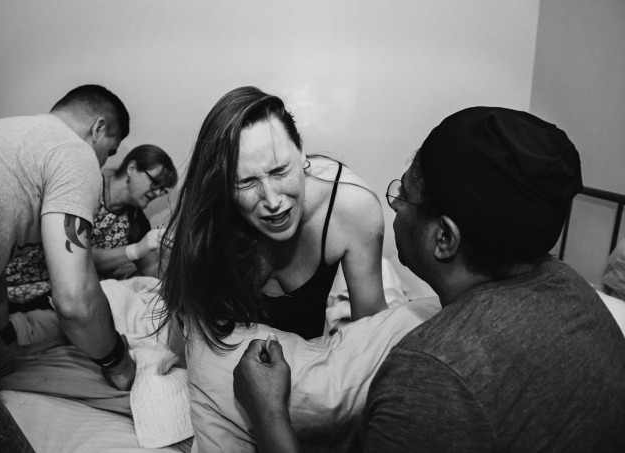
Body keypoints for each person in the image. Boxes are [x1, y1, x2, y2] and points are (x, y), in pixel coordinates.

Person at [233, 106, 625, 452]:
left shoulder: (431, 376)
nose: (396, 208)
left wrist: (268, 413)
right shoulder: (576, 290)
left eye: (403, 195)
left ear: (443, 239)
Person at [0, 84, 137, 451]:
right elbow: (75, 300)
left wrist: (0, 334)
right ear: (97, 129)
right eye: (108, 152)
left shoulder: (4, 133)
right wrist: (118, 361)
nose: (102, 162)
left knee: (2, 365)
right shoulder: (74, 153)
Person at [159, 86, 387, 346]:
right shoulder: (211, 211)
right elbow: (183, 322)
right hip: (228, 357)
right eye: (245, 182)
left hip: (307, 362)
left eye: (279, 171)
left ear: (301, 150)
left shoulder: (351, 206)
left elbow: (372, 329)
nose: (272, 200)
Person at [5, 144, 178, 307]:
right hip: (20, 278)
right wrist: (134, 250)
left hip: (64, 298)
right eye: (155, 183)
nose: (157, 193)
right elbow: (74, 253)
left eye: (163, 189)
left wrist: (171, 258)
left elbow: (152, 272)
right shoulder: (85, 189)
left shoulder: (136, 221)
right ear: (132, 168)